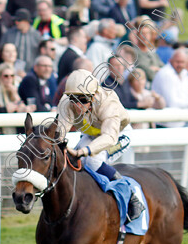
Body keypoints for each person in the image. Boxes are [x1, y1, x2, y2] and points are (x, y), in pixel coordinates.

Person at [57, 69, 145, 221]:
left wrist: (84, 151)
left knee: (92, 160)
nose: (78, 106)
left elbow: (109, 137)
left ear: (93, 96)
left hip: (118, 135)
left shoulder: (107, 102)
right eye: (73, 99)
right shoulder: (66, 103)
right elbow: (60, 131)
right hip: (92, 135)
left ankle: (132, 197)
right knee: (73, 161)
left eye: (83, 99)